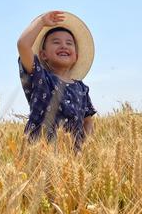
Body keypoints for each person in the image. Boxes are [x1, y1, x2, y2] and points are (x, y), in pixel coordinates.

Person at [17, 11, 96, 151]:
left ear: (76, 56)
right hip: (39, 154)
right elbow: (23, 45)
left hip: (71, 159)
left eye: (69, 43)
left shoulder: (82, 89)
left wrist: (87, 145)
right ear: (43, 54)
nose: (64, 46)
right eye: (56, 42)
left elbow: (88, 120)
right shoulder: (40, 77)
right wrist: (41, 22)